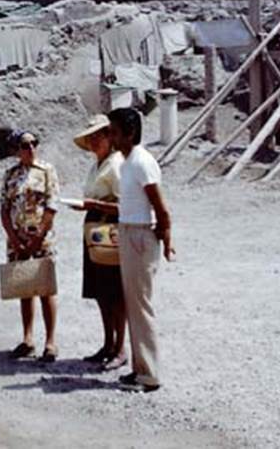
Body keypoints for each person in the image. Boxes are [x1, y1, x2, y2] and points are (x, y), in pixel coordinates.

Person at [106, 107, 175, 393]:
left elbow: (161, 207)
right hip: (129, 232)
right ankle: (139, 369)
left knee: (140, 307)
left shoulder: (141, 162)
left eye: (113, 131)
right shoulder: (127, 163)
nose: (110, 137)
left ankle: (149, 375)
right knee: (133, 305)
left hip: (139, 236)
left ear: (129, 133)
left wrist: (165, 238)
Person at [71, 115, 127, 370]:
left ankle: (120, 347)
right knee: (101, 291)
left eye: (98, 136)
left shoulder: (116, 165)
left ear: (109, 137)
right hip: (94, 225)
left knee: (115, 291)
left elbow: (125, 204)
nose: (94, 141)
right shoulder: (97, 165)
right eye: (91, 137)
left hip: (110, 226)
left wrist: (95, 205)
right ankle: (108, 343)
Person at [0, 130, 60, 362]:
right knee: (25, 288)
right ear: (17, 150)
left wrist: (37, 238)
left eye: (34, 143)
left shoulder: (47, 172)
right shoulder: (10, 175)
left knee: (46, 289)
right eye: (25, 145)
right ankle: (27, 339)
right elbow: (4, 207)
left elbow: (52, 206)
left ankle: (51, 342)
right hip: (17, 240)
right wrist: (14, 239)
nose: (31, 148)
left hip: (41, 240)